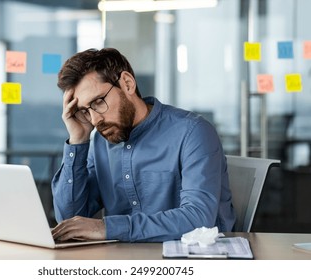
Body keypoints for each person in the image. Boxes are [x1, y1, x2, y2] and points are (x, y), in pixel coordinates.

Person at [51, 48, 236, 242]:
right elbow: (69, 220)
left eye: (98, 102)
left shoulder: (192, 132)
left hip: (195, 260)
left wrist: (108, 228)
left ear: (127, 84)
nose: (95, 119)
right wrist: (78, 140)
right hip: (127, 261)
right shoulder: (100, 142)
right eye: (85, 111)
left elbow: (198, 220)